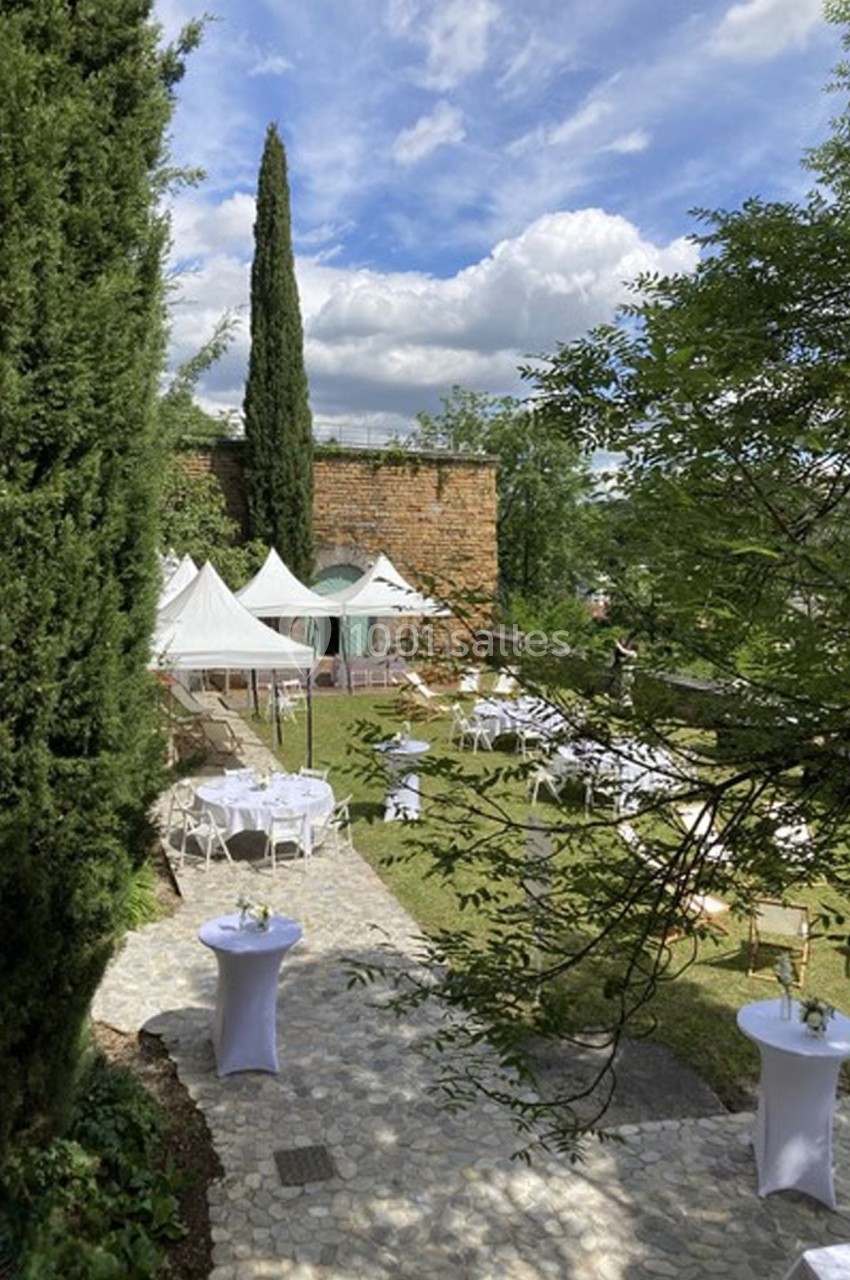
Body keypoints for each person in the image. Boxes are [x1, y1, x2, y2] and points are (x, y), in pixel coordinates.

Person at [610, 635, 639, 706]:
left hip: (628, 673)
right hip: (625, 673)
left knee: (626, 688)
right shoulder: (631, 655)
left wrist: (617, 644)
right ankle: (622, 702)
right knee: (623, 687)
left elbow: (623, 651)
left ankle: (626, 703)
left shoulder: (633, 653)